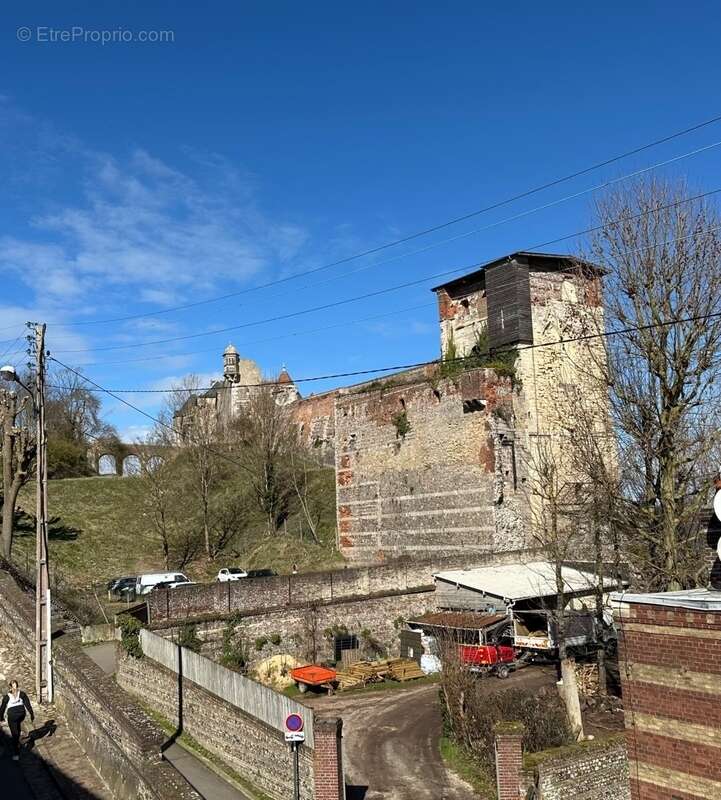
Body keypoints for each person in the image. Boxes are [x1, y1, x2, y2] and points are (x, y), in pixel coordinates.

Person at [0, 680, 34, 761]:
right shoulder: (22, 694)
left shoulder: (7, 697)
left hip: (12, 717)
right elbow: (27, 704)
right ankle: (18, 739)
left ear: (10, 687)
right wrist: (32, 714)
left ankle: (16, 754)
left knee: (14, 734)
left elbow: (2, 708)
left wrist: (1, 717)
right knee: (17, 727)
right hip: (21, 715)